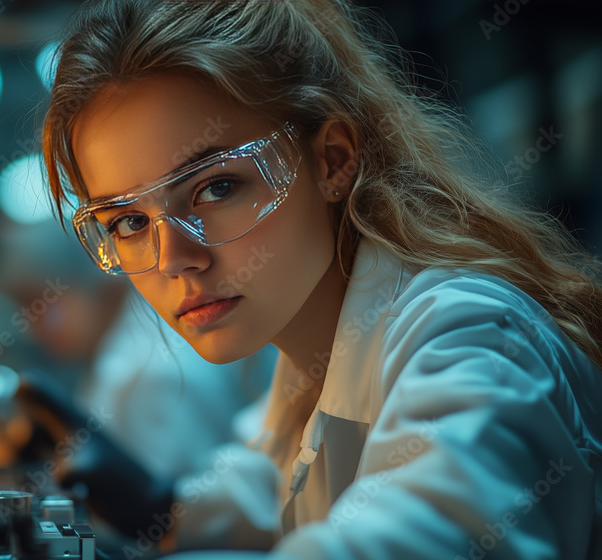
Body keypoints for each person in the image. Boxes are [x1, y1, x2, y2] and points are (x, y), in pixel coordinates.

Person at [39, 0, 602, 558]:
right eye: (129, 222)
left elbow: (422, 533)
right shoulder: (314, 363)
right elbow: (270, 483)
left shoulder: (471, 335)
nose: (173, 259)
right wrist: (157, 507)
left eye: (215, 188)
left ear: (332, 159)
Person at [0, 221, 281, 550]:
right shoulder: (115, 353)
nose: (32, 328)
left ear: (101, 282)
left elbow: (175, 532)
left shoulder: (151, 375)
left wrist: (153, 510)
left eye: (39, 304)